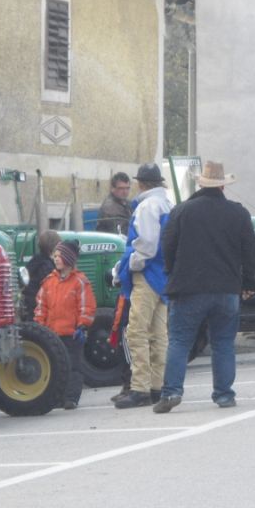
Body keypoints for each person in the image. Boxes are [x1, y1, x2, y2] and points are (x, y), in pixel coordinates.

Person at [153, 160, 255, 413]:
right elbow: (250, 253)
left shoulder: (181, 211)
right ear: (222, 185)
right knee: (223, 343)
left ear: (200, 183)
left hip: (188, 288)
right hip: (226, 290)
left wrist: (171, 273)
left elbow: (167, 248)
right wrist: (248, 283)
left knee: (179, 341)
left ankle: (171, 393)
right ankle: (224, 395)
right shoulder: (239, 213)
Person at [112, 163, 173, 409]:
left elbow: (146, 244)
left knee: (136, 331)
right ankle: (157, 386)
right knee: (159, 335)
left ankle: (140, 388)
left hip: (147, 274)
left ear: (142, 183)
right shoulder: (167, 204)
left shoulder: (147, 206)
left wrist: (129, 265)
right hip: (164, 277)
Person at [34, 239, 96, 410]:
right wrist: (39, 326)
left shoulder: (80, 281)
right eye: (55, 256)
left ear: (69, 259)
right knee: (55, 368)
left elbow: (87, 306)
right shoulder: (48, 282)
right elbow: (41, 306)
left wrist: (82, 326)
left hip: (71, 334)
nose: (56, 259)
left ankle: (71, 397)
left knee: (73, 366)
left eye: (60, 256)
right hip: (52, 335)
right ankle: (57, 397)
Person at [20, 229, 61, 321]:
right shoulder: (47, 266)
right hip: (38, 305)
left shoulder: (37, 259)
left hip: (30, 301)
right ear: (53, 246)